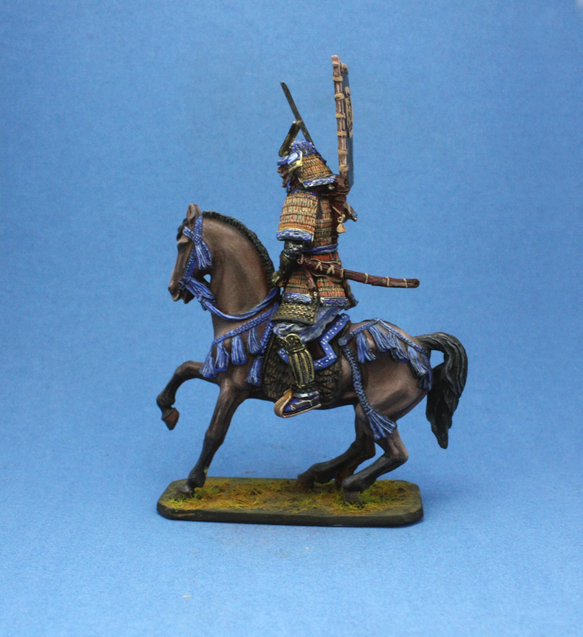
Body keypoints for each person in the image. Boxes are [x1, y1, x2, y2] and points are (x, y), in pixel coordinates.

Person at [272, 134, 357, 418]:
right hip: (323, 281)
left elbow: (293, 249)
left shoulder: (301, 199)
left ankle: (306, 393)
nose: (282, 177)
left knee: (288, 332)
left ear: (298, 169)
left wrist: (279, 273)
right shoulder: (330, 198)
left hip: (314, 286)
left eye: (285, 170)